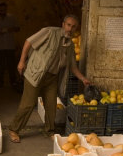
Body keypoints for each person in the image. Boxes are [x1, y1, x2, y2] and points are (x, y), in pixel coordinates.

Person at [8, 15, 91, 143]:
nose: (70, 28)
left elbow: (73, 66)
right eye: (68, 25)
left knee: (51, 104)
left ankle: (49, 131)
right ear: (63, 24)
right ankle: (14, 129)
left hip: (52, 77)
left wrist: (83, 79)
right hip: (35, 73)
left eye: (73, 26)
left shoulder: (70, 45)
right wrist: (21, 61)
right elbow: (29, 41)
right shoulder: (49, 32)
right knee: (28, 104)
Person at [0, 2, 20, 88]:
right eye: (1, 10)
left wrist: (10, 29)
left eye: (4, 9)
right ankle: (0, 82)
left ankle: (13, 81)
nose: (2, 11)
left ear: (6, 9)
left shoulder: (12, 17)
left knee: (11, 65)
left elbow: (18, 28)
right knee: (0, 66)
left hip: (10, 46)